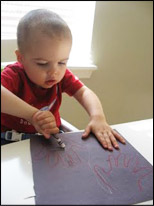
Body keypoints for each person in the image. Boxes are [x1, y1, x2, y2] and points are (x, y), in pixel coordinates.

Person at [1, 9, 125, 150]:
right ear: (20, 58)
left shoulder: (62, 76)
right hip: (10, 142)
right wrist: (33, 115)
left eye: (62, 62)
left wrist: (98, 117)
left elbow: (84, 92)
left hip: (48, 139)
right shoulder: (15, 75)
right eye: (42, 63)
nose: (54, 71)